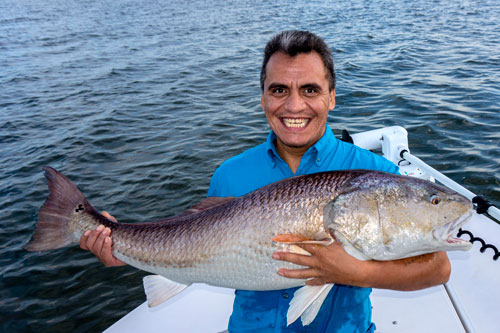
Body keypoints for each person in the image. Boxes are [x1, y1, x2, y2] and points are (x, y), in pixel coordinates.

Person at [80, 30, 451, 332]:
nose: (293, 106)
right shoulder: (231, 174)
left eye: (310, 89)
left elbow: (437, 269)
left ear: (332, 97)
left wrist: (354, 271)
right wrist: (124, 249)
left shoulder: (375, 172)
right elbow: (191, 250)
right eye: (279, 90)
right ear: (262, 99)